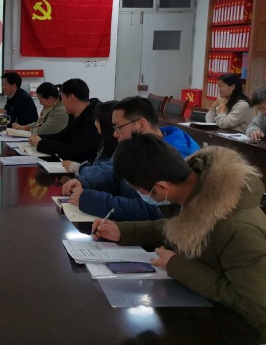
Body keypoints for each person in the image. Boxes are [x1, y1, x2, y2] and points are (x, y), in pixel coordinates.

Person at [93, 133, 266, 339]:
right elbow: (174, 228)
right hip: (202, 314)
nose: (142, 196)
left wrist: (176, 265)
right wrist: (122, 231)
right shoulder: (194, 189)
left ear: (161, 188)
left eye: (140, 191)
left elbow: (256, 306)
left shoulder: (237, 230)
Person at [62, 96, 200, 221]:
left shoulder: (169, 155)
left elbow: (152, 210)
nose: (115, 134)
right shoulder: (138, 144)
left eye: (118, 127)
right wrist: (86, 183)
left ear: (141, 124)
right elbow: (116, 176)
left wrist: (91, 200)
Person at [28, 78, 101, 163]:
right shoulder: (76, 114)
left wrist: (41, 143)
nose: (61, 102)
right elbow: (62, 136)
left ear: (71, 98)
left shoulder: (94, 119)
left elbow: (74, 151)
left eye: (62, 98)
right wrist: (39, 138)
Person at [61, 100, 117, 174]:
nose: (95, 123)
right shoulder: (106, 143)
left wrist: (77, 168)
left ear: (104, 122)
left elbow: (103, 174)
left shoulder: (117, 147)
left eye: (97, 119)